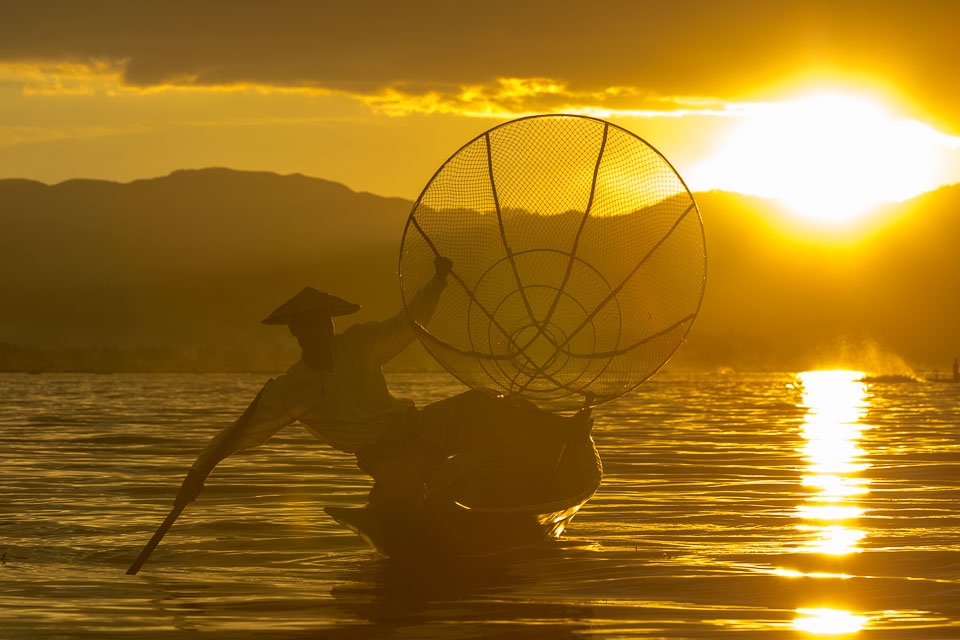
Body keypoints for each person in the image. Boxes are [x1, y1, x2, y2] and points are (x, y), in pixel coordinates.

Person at [179, 256, 454, 509]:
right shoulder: (291, 390)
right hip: (382, 455)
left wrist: (438, 281)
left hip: (417, 426)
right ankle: (394, 505)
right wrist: (198, 472)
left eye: (325, 323)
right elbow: (240, 432)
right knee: (406, 489)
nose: (322, 331)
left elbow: (408, 321)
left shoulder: (360, 344)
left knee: (486, 409)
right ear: (296, 331)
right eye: (311, 325)